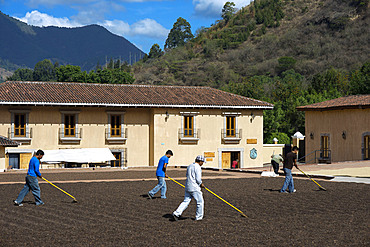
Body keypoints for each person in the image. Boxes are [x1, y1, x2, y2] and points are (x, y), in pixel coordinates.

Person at [172, 155, 205, 221]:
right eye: (202, 162)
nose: (203, 163)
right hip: (195, 187)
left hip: (188, 186)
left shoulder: (190, 166)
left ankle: (177, 213)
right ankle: (199, 217)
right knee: (200, 202)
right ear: (200, 161)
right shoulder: (198, 167)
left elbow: (187, 175)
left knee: (186, 201)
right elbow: (198, 179)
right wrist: (201, 184)